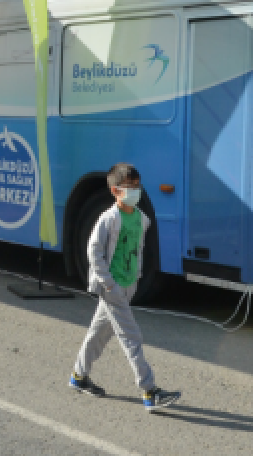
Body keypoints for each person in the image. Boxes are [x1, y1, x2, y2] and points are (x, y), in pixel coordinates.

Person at [70, 163, 181, 413]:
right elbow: (93, 250)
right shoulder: (109, 218)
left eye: (137, 186)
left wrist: (136, 278)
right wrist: (108, 282)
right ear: (114, 191)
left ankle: (78, 375)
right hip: (113, 287)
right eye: (128, 187)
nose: (134, 191)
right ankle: (149, 391)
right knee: (131, 337)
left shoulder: (140, 218)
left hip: (128, 284)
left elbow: (136, 249)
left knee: (98, 333)